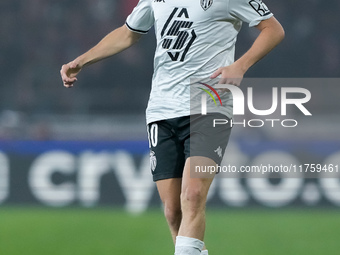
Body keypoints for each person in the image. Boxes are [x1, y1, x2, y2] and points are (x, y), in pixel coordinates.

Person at [60, 0, 284, 254]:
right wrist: (82, 60)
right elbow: (128, 32)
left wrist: (240, 66)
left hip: (209, 105)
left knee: (193, 195)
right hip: (162, 109)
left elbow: (273, 29)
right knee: (172, 211)